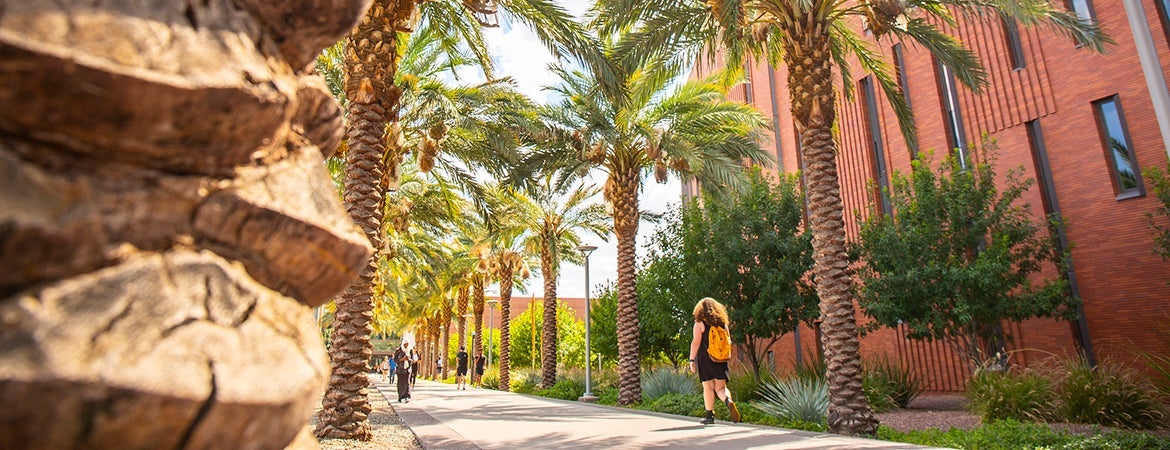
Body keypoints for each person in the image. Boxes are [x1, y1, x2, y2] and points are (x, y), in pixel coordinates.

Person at [689, 297, 740, 425]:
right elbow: (728, 341)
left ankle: (709, 416)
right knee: (721, 388)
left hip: (705, 358)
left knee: (708, 387)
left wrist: (691, 359)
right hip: (720, 359)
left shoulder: (699, 323)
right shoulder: (723, 324)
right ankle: (728, 401)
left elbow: (696, 342)